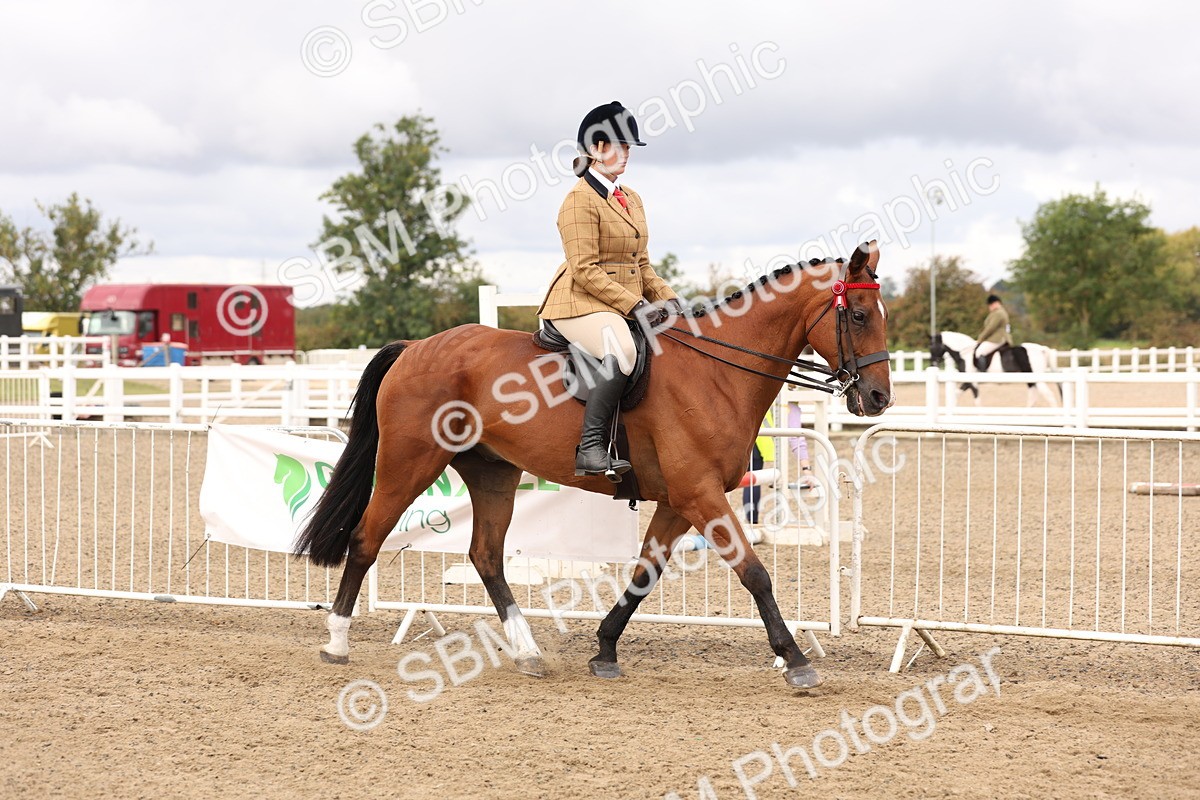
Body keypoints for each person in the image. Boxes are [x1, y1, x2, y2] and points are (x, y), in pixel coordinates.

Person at [537, 101, 682, 477]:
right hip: (578, 302)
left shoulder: (631, 198)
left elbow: (642, 265)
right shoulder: (577, 202)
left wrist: (672, 301)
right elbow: (584, 270)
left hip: (616, 302)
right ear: (597, 148)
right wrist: (636, 306)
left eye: (630, 147)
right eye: (621, 145)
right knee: (624, 350)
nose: (628, 154)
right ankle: (591, 448)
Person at [974, 294, 1013, 371]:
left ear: (995, 303)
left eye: (990, 305)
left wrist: (980, 338)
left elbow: (991, 328)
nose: (990, 307)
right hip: (1001, 338)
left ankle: (982, 374)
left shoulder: (998, 313)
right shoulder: (1000, 312)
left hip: (997, 339)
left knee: (979, 352)